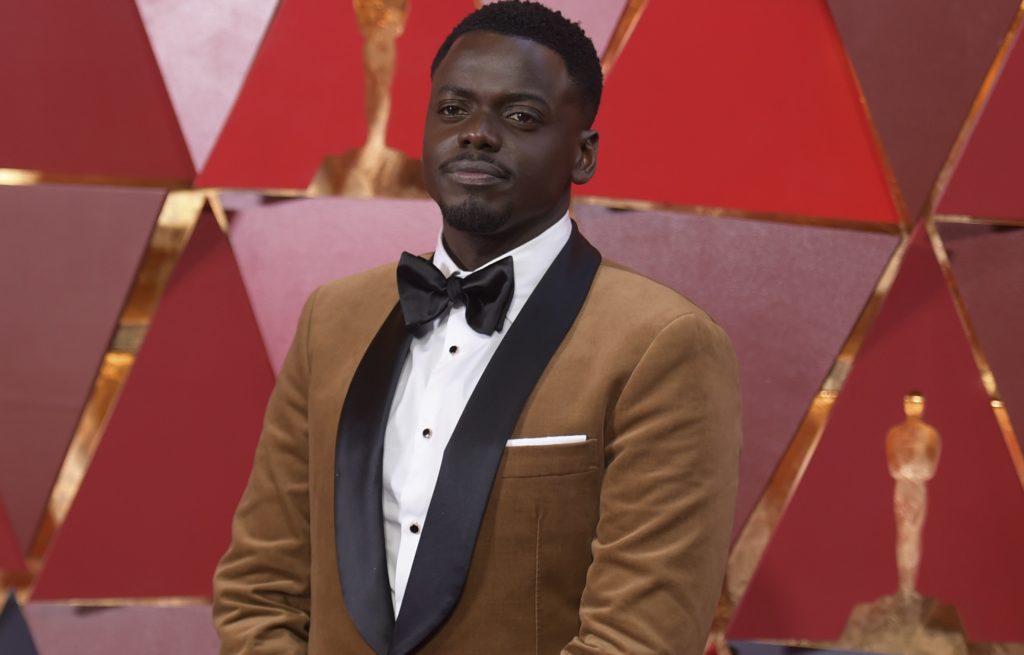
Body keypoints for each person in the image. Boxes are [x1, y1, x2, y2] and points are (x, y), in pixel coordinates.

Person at [213, 2, 742, 653]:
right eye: (453, 109)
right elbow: (259, 588)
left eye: (519, 117)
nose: (476, 134)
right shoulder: (333, 318)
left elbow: (637, 638)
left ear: (583, 155)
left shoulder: (663, 344)